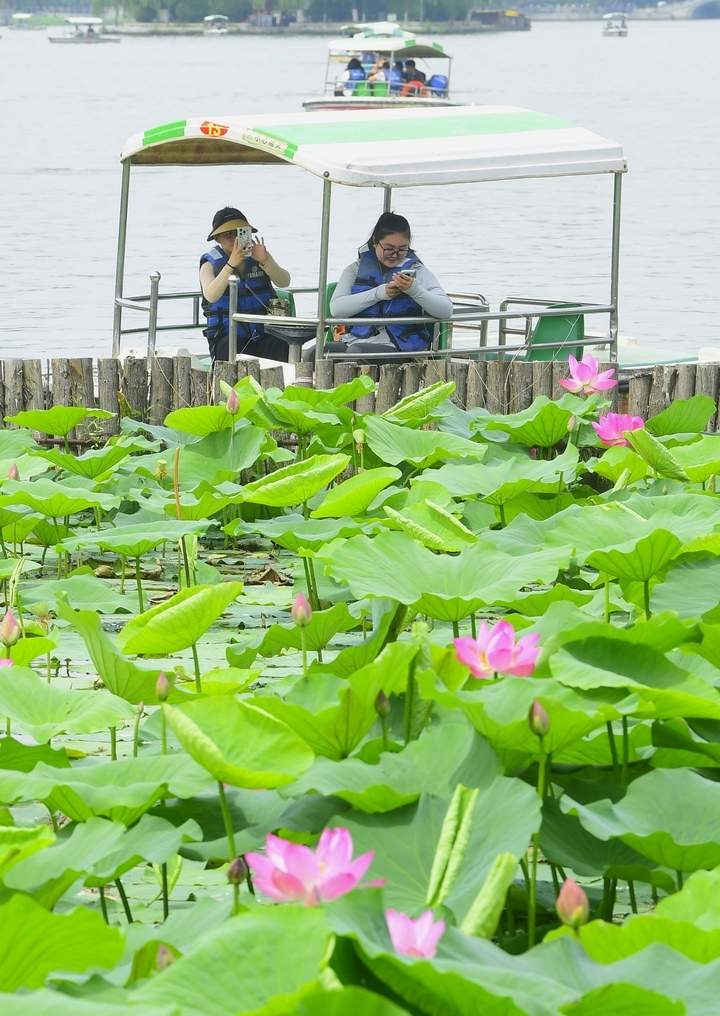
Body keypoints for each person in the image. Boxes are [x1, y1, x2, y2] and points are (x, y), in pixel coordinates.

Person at [329, 211, 452, 354]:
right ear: (375, 242)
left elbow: (446, 310)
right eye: (388, 248)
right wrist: (379, 293)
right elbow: (336, 309)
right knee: (314, 353)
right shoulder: (355, 269)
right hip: (356, 341)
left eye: (401, 249)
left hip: (401, 347)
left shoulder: (418, 271)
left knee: (356, 352)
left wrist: (414, 290)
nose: (395, 254)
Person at [199, 207, 291, 364]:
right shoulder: (209, 264)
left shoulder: (259, 255)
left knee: (281, 344)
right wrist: (231, 264)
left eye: (239, 233)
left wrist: (266, 261)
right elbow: (211, 295)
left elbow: (284, 281)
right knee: (231, 346)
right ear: (217, 239)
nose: (234, 239)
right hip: (227, 337)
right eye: (228, 235)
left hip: (263, 334)